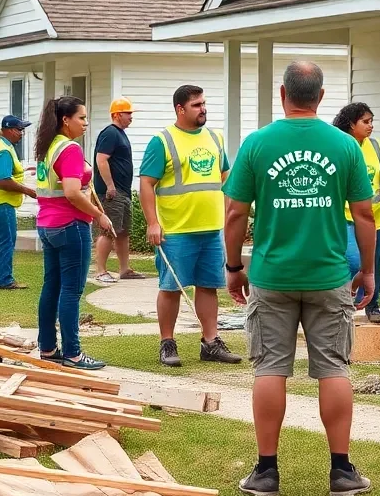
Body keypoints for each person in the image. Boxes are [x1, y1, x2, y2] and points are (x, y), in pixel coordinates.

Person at [225, 61, 377, 496]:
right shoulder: (346, 146)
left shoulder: (257, 144)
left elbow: (235, 213)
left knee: (270, 367)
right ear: (322, 96)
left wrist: (234, 267)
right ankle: (342, 471)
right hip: (329, 275)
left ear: (282, 93)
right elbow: (364, 214)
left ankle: (266, 473)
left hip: (272, 276)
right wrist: (366, 270)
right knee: (333, 368)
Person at [139, 84, 241, 368]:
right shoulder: (162, 141)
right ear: (180, 109)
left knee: (209, 286)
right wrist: (152, 223)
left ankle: (210, 342)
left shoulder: (214, 137)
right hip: (176, 231)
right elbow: (146, 184)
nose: (203, 109)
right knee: (171, 287)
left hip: (211, 229)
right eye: (196, 105)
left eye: (204, 103)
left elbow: (225, 177)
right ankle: (167, 343)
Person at [34, 95, 113, 371]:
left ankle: (47, 348)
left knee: (51, 287)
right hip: (70, 227)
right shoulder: (69, 149)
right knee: (71, 291)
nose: (86, 123)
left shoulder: (48, 147)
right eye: (82, 118)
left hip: (47, 225)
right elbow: (70, 192)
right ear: (65, 120)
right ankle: (73, 353)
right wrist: (99, 214)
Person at [332, 102, 380, 324]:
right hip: (347, 217)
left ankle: (372, 306)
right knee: (353, 260)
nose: (371, 126)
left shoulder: (377, 146)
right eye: (365, 122)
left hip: (378, 218)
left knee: (372, 264)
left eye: (371, 121)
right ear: (351, 124)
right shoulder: (340, 147)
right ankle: (343, 304)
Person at [92, 97, 145, 284]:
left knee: (123, 231)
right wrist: (110, 186)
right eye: (128, 113)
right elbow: (101, 160)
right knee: (109, 230)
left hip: (123, 191)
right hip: (111, 193)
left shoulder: (121, 133)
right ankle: (101, 271)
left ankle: (124, 270)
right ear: (117, 115)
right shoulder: (111, 133)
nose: (131, 117)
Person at [0, 114, 37, 290]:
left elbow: (7, 172)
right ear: (10, 130)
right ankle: (5, 280)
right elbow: (4, 180)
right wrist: (28, 190)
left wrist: (24, 170)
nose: (22, 134)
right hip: (1, 203)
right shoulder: (3, 150)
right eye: (20, 130)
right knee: (7, 240)